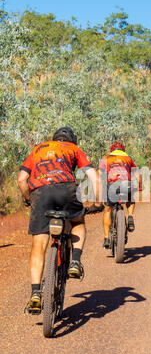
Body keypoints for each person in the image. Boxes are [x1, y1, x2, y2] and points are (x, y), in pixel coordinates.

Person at [18, 126, 100, 312]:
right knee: (78, 222)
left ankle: (36, 292)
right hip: (67, 189)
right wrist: (97, 202)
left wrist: (29, 199)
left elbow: (22, 179)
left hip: (41, 193)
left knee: (39, 244)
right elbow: (93, 177)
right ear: (72, 140)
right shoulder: (73, 149)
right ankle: (75, 262)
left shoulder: (38, 149)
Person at [99, 141, 142, 249]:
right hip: (126, 184)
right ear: (123, 150)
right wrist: (140, 187)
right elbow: (137, 174)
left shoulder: (107, 158)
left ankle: (106, 238)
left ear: (112, 150)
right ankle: (130, 216)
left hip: (111, 185)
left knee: (107, 209)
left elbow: (99, 174)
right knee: (130, 200)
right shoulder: (128, 158)